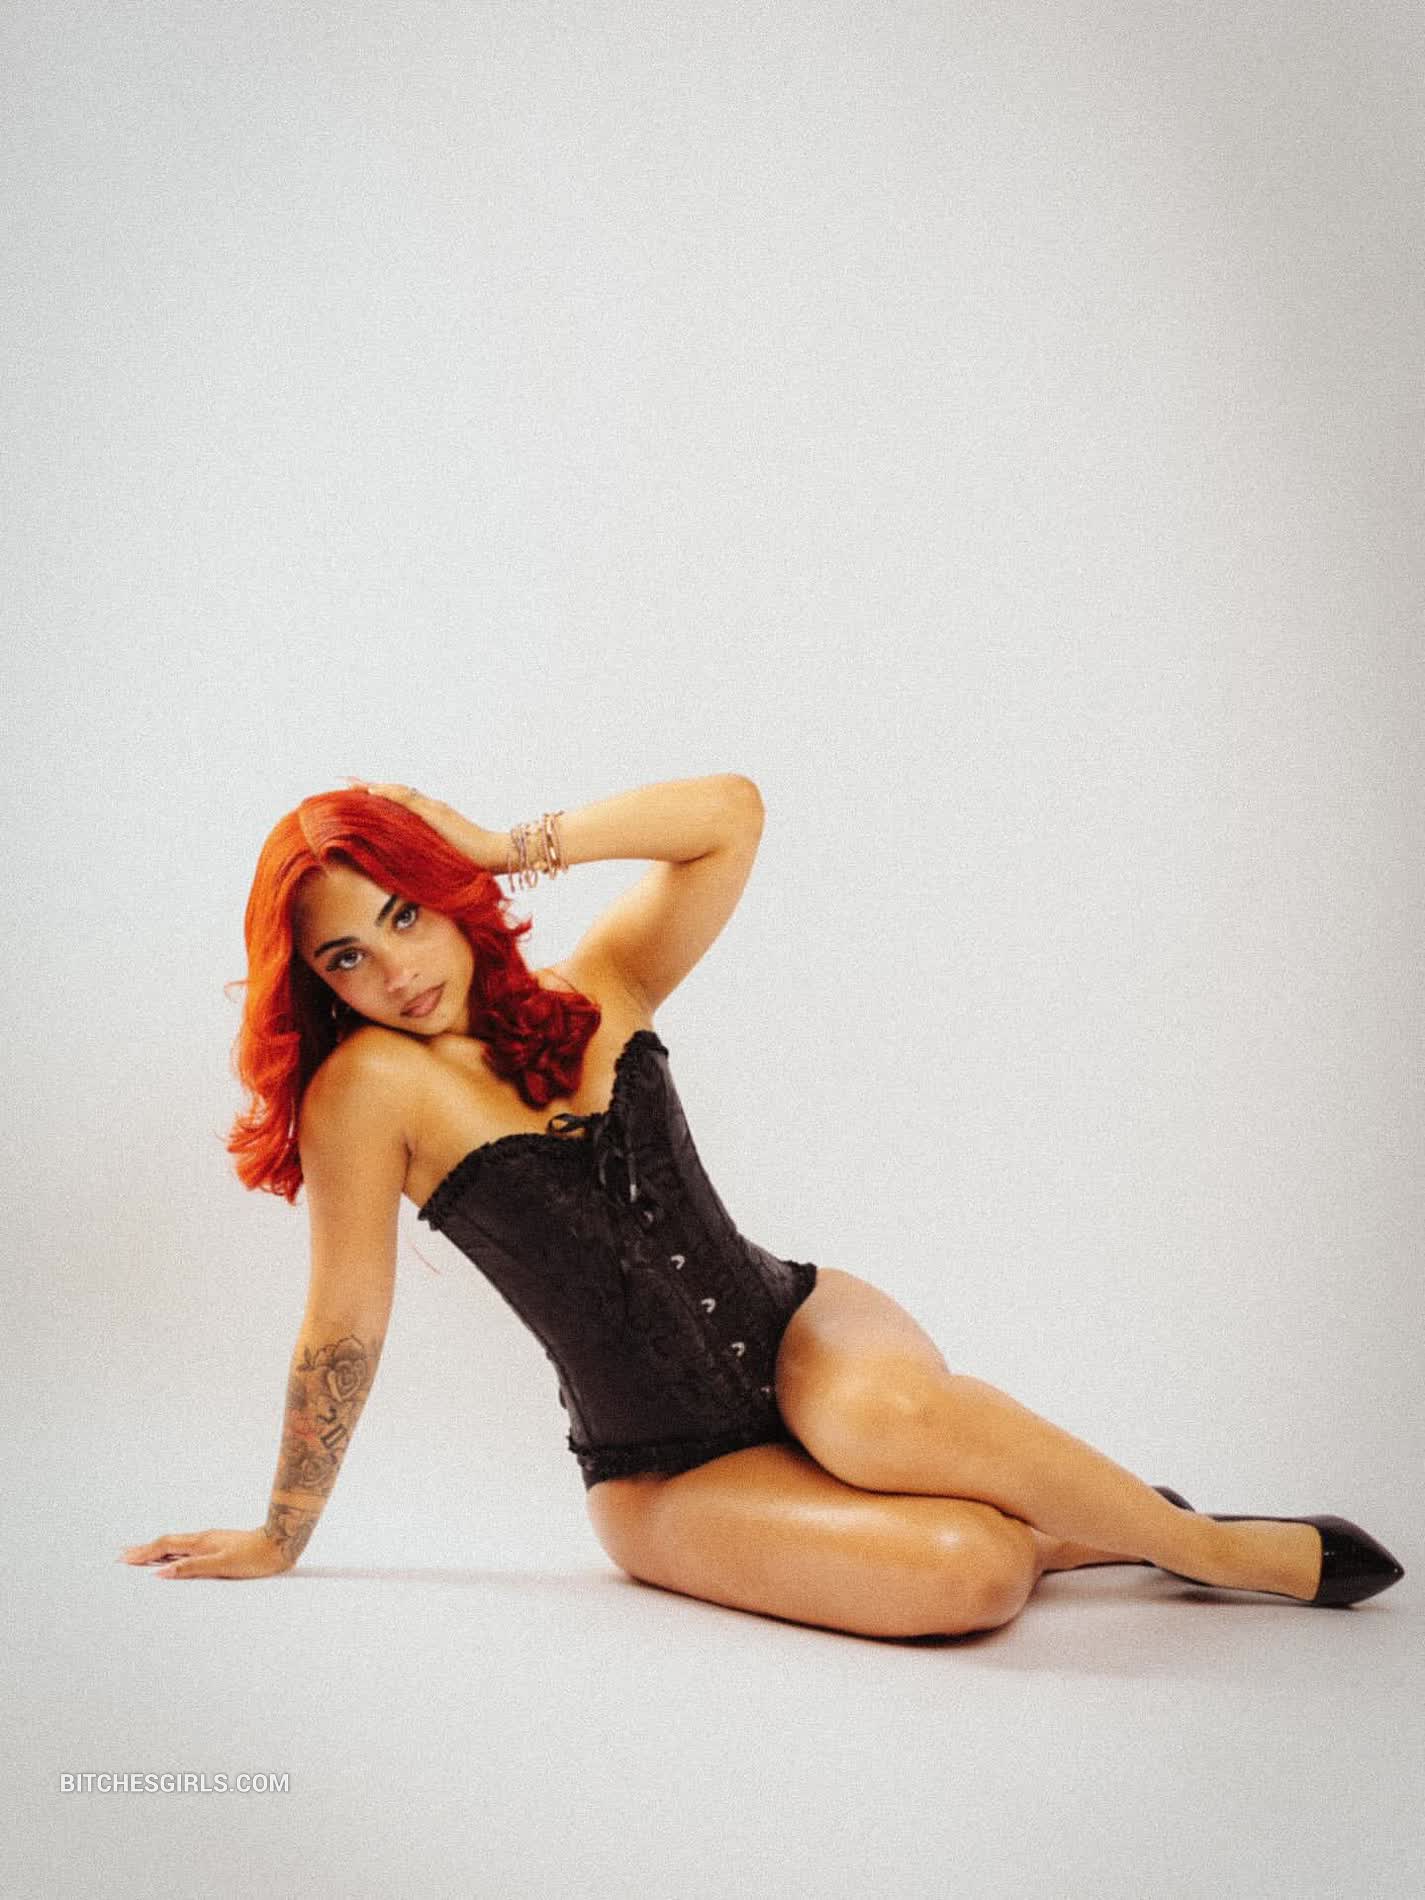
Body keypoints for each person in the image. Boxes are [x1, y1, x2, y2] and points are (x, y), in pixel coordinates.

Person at [120, 774, 1403, 1635]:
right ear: (320, 983)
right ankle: (1077, 1527)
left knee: (887, 1419)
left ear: (448, 892)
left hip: (801, 1329)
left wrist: (506, 843)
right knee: (971, 1571)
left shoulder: (598, 983)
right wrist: (281, 1533)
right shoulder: (367, 1093)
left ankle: (1210, 1546)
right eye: (347, 954)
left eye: (405, 913)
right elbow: (343, 1321)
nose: (395, 968)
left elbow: (729, 814)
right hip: (665, 1468)